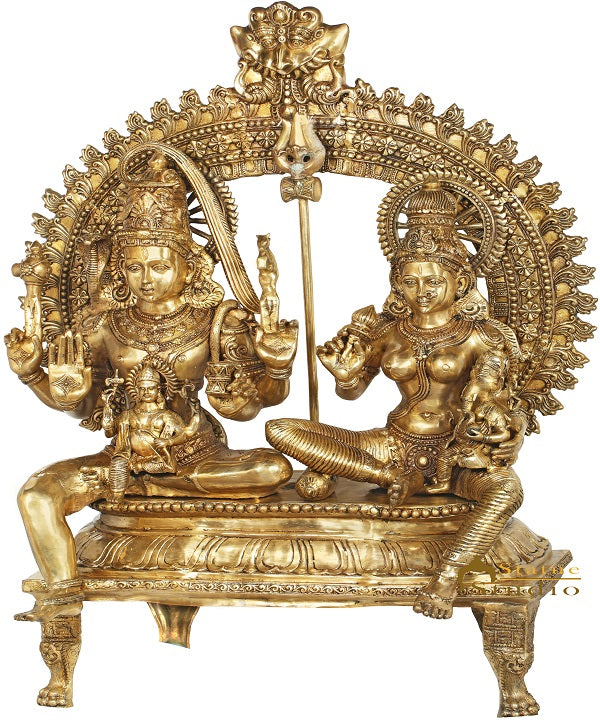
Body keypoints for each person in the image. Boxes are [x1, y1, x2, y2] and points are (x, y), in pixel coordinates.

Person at [5, 151, 298, 622]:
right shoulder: (104, 325)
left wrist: (276, 369)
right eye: (135, 267)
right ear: (120, 269)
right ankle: (61, 604)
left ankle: (157, 487)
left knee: (272, 469)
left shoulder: (217, 322)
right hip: (121, 458)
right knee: (36, 495)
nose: (146, 279)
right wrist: (35, 375)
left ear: (188, 266)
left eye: (159, 266)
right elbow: (84, 408)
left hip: (197, 456)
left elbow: (253, 405)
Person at [266, 180, 527, 619]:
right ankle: (388, 478)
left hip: (453, 455)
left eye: (434, 280)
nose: (422, 291)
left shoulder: (482, 337)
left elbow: (502, 400)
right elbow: (352, 392)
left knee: (506, 491)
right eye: (410, 281)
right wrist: (345, 374)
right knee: (282, 430)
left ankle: (447, 576)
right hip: (393, 445)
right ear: (396, 284)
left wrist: (507, 432)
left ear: (460, 281)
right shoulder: (387, 331)